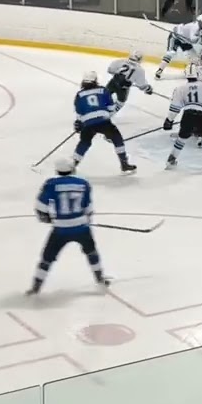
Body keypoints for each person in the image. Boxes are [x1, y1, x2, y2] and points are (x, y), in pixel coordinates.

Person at [27, 158, 109, 295]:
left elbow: (41, 207)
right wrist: (86, 218)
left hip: (60, 229)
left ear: (57, 170)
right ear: (72, 168)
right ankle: (100, 279)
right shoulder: (84, 183)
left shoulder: (51, 184)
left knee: (47, 258)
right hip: (81, 227)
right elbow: (88, 208)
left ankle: (35, 288)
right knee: (91, 252)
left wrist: (46, 218)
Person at [73, 71, 136, 174]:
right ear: (95, 80)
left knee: (84, 142)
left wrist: (79, 123)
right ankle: (124, 164)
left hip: (88, 123)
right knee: (117, 139)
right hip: (103, 122)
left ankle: (73, 165)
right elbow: (111, 108)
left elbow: (79, 112)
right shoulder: (103, 90)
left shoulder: (79, 94)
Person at [163, 66, 202, 172]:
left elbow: (175, 107)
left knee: (182, 138)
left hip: (187, 114)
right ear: (197, 74)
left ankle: (171, 160)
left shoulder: (180, 88)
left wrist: (169, 120)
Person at [155, 15, 202, 79]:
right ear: (199, 22)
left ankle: (196, 72)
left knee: (194, 56)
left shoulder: (200, 27)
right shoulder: (195, 27)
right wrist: (200, 36)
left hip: (184, 40)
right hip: (175, 38)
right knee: (171, 53)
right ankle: (159, 70)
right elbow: (193, 40)